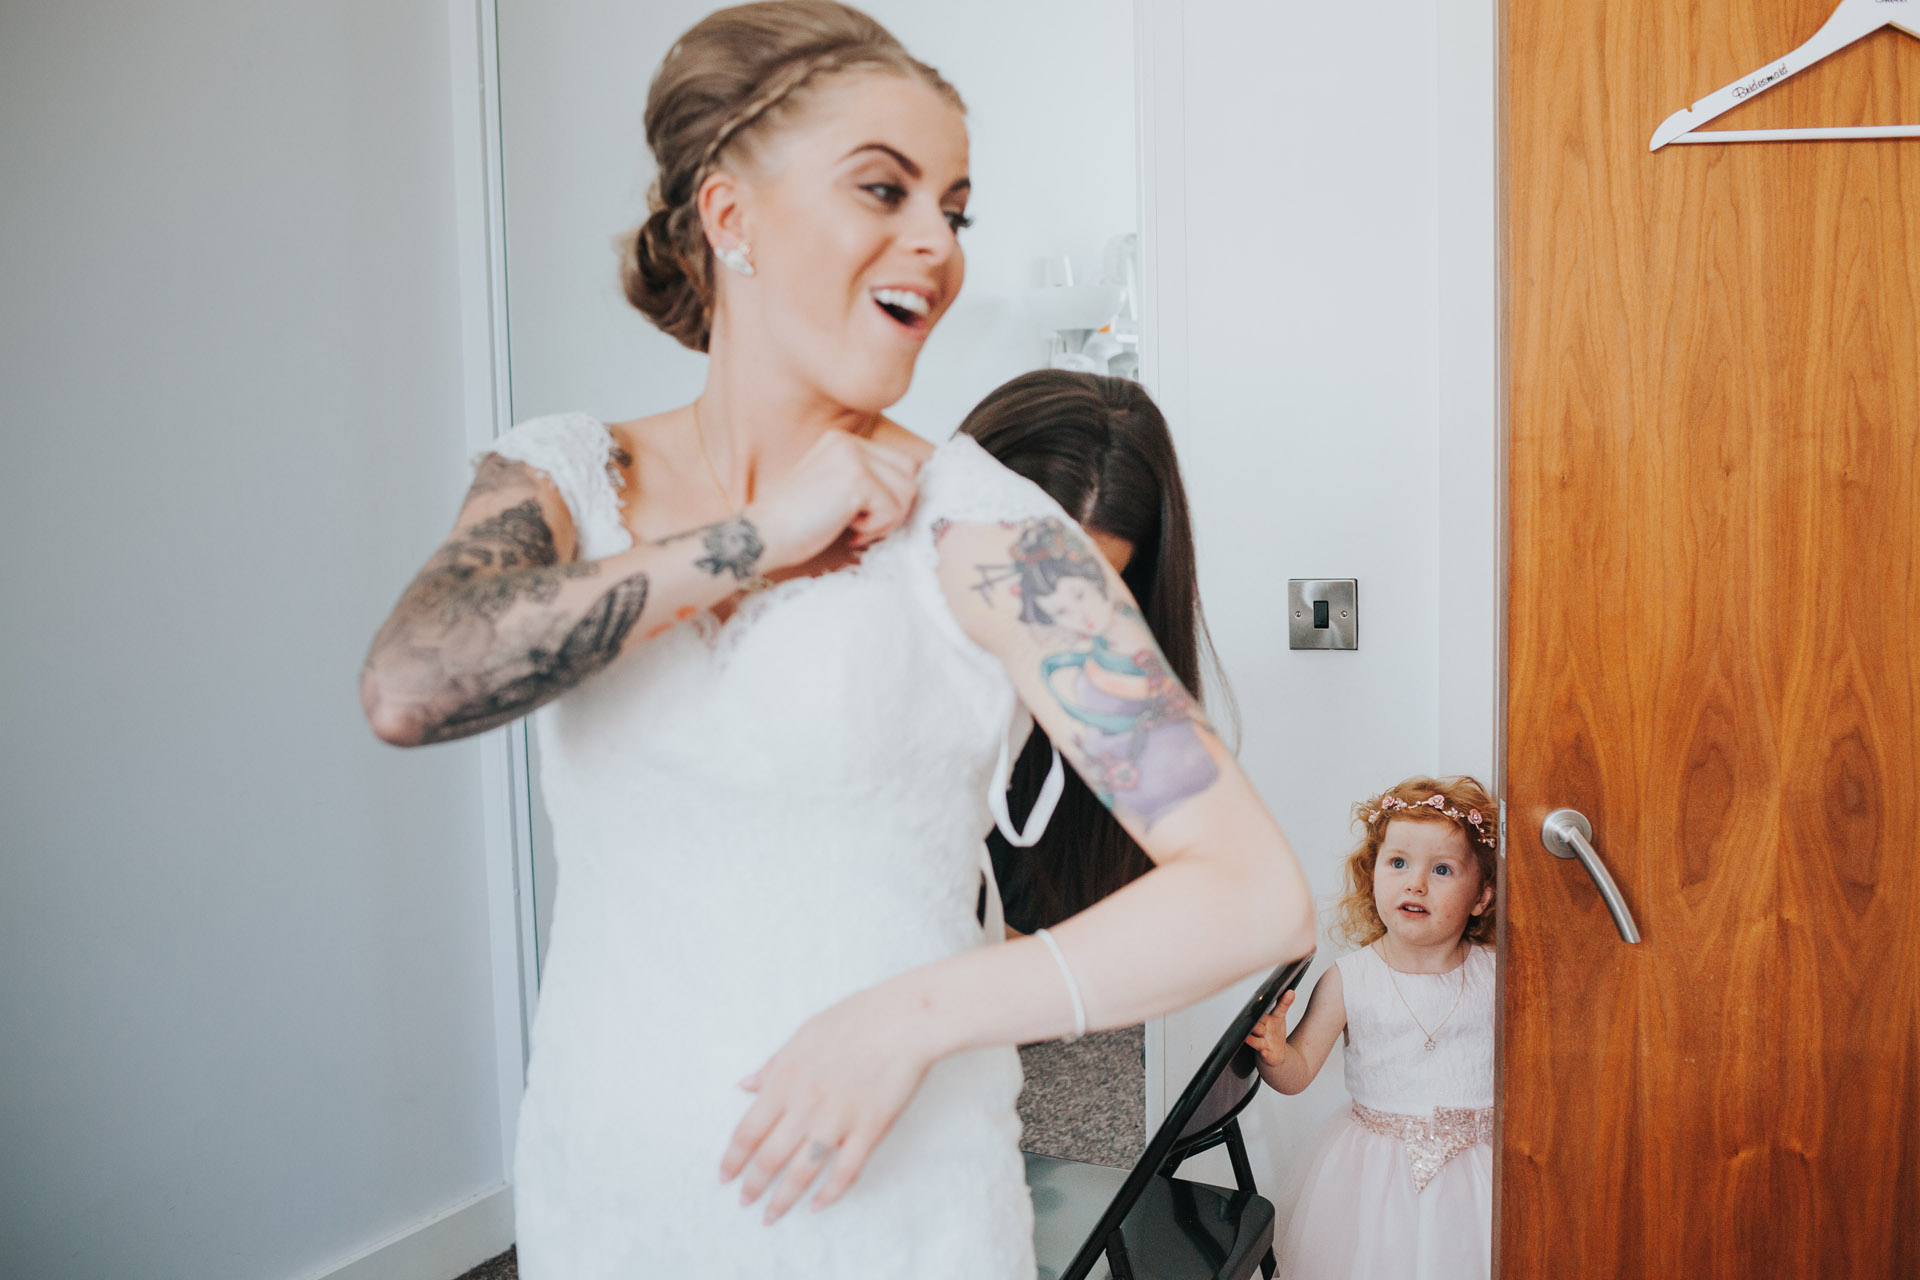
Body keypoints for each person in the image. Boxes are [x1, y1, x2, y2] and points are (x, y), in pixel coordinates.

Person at [359, 4, 1314, 1276]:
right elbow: (412, 682)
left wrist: (911, 1017)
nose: (937, 243)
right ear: (730, 215)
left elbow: (1250, 890)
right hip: (610, 1202)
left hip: (891, 1216)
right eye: (885, 187)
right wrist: (757, 535)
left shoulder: (994, 535)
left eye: (955, 208)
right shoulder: (567, 481)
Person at [960, 369, 1232, 1169]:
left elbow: (1253, 905)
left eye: (1091, 593)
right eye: (1023, 577)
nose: (1041, 625)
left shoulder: (1091, 700)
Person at [1244, 776, 1500, 1280]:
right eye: (1398, 862)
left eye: (1442, 869)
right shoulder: (1350, 979)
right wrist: (1274, 1051)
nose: (1415, 883)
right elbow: (1297, 1074)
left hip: (1482, 1172)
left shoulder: (1499, 973)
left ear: (1481, 897)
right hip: (1375, 1176)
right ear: (1373, 873)